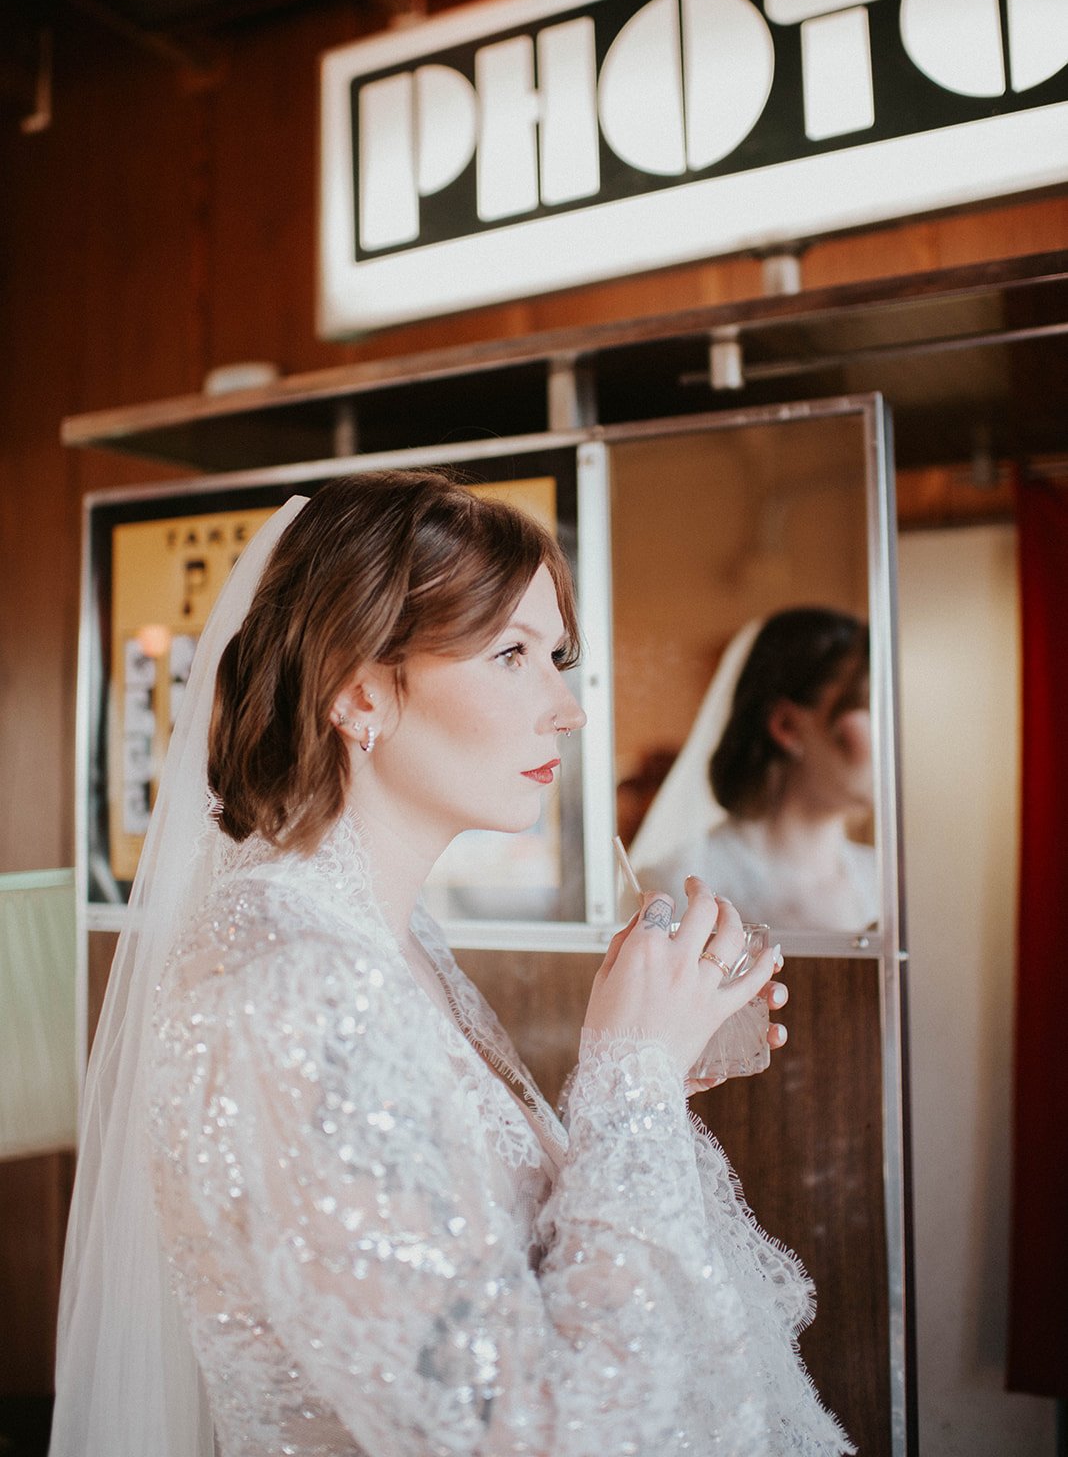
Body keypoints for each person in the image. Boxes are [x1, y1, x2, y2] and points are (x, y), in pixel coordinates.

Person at [52, 472, 852, 1457]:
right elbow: (529, 1434)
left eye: (555, 656)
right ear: (359, 690)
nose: (567, 709)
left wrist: (660, 1053)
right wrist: (627, 1083)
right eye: (512, 654)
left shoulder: (391, 940)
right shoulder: (292, 988)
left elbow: (499, 1253)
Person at [634, 608, 877, 935]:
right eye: (872, 709)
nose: (896, 738)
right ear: (787, 726)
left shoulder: (885, 883)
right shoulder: (676, 889)